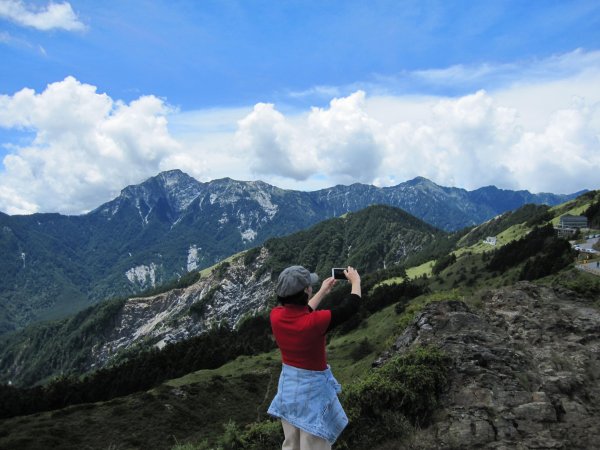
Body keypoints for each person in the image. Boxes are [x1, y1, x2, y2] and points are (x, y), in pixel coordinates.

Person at [267, 265, 362, 450]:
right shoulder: (315, 322)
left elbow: (301, 312)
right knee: (313, 442)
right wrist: (356, 281)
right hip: (312, 394)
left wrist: (323, 291)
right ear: (305, 291)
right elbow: (350, 307)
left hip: (288, 391)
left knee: (291, 443)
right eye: (309, 285)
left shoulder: (276, 316)